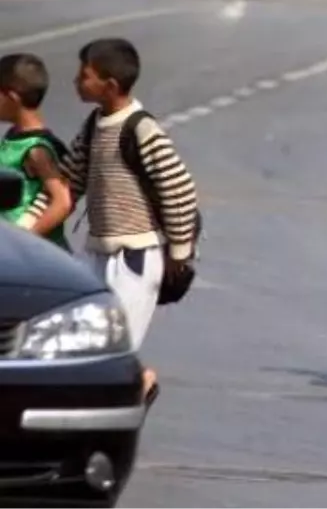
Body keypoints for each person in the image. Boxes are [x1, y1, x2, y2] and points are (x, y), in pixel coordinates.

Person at [25, 38, 201, 400]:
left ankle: (133, 394)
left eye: (83, 76)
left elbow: (179, 190)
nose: (76, 82)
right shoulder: (94, 125)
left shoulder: (141, 130)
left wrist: (180, 256)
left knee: (114, 351)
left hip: (133, 259)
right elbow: (69, 181)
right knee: (78, 341)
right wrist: (27, 225)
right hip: (96, 255)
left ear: (110, 86)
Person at [0, 53, 71, 249]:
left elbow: (61, 202)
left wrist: (27, 238)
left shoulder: (36, 149)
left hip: (35, 253)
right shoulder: (15, 136)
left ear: (12, 98)